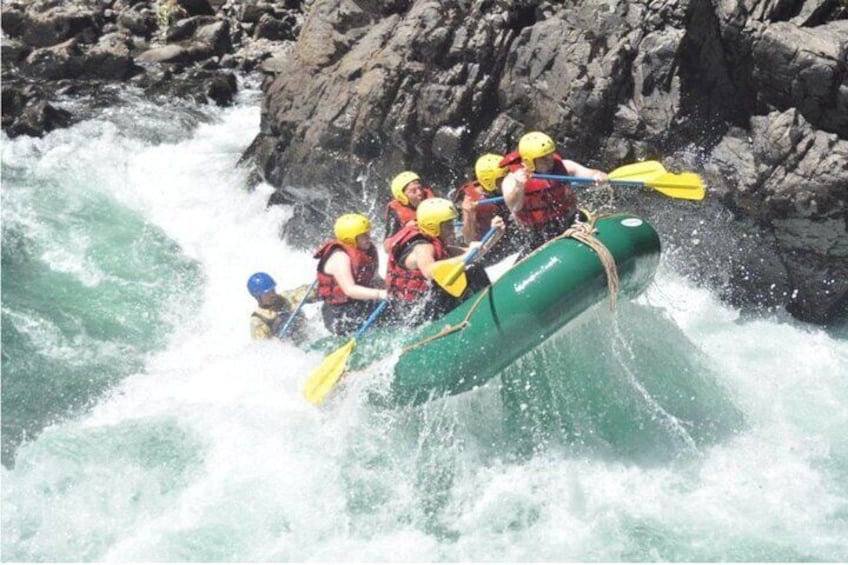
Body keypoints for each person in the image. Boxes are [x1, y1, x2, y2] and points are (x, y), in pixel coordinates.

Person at [385, 197, 505, 326]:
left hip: (428, 302)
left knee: (473, 268)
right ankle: (485, 311)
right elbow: (429, 271)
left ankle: (489, 305)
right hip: (415, 312)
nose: (453, 229)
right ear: (433, 226)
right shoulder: (422, 247)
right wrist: (465, 257)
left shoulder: (436, 242)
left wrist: (495, 236)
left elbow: (472, 254)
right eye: (448, 225)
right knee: (472, 270)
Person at [500, 131, 607, 255]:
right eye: (543, 158)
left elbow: (589, 174)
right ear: (529, 161)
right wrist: (519, 186)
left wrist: (598, 176)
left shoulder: (565, 166)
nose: (549, 160)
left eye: (550, 154)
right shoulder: (512, 180)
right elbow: (513, 206)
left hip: (571, 220)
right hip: (538, 234)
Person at [314, 213, 387, 335]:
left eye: (368, 233)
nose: (368, 237)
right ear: (350, 239)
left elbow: (374, 278)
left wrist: (390, 289)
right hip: (340, 313)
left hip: (361, 303)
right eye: (363, 235)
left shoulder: (366, 251)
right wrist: (381, 294)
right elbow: (350, 290)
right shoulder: (339, 257)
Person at [452, 153, 520, 266]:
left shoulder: (508, 188)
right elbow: (467, 240)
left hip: (510, 237)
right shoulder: (470, 201)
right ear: (489, 182)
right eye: (502, 179)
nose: (509, 181)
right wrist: (469, 214)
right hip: (488, 249)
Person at [247, 272, 314, 343]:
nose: (272, 295)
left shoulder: (285, 298)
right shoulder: (258, 322)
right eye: (267, 293)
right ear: (257, 297)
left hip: (309, 337)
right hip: (294, 350)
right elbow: (263, 348)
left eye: (273, 290)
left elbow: (305, 292)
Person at [383, 171, 437, 249]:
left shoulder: (431, 199)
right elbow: (387, 247)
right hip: (414, 249)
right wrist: (406, 230)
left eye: (420, 188)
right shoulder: (394, 211)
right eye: (413, 191)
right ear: (402, 196)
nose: (420, 193)